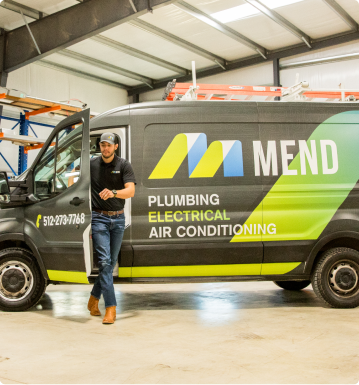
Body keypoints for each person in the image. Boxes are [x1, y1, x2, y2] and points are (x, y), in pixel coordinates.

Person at [87, 133, 136, 324]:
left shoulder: (123, 165)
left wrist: (114, 192)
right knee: (105, 262)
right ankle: (111, 307)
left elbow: (130, 191)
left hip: (118, 219)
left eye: (109, 145)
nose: (105, 148)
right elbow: (74, 181)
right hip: (98, 218)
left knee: (110, 262)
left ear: (116, 147)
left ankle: (93, 299)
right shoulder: (91, 164)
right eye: (102, 145)